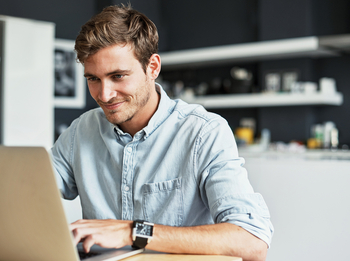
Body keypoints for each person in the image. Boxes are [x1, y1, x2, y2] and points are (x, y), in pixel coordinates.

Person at [51, 4, 273, 261]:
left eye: (118, 76)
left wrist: (132, 232)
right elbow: (30, 189)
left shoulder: (204, 132)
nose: (104, 94)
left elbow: (252, 242)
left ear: (153, 67)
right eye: (93, 79)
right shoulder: (81, 131)